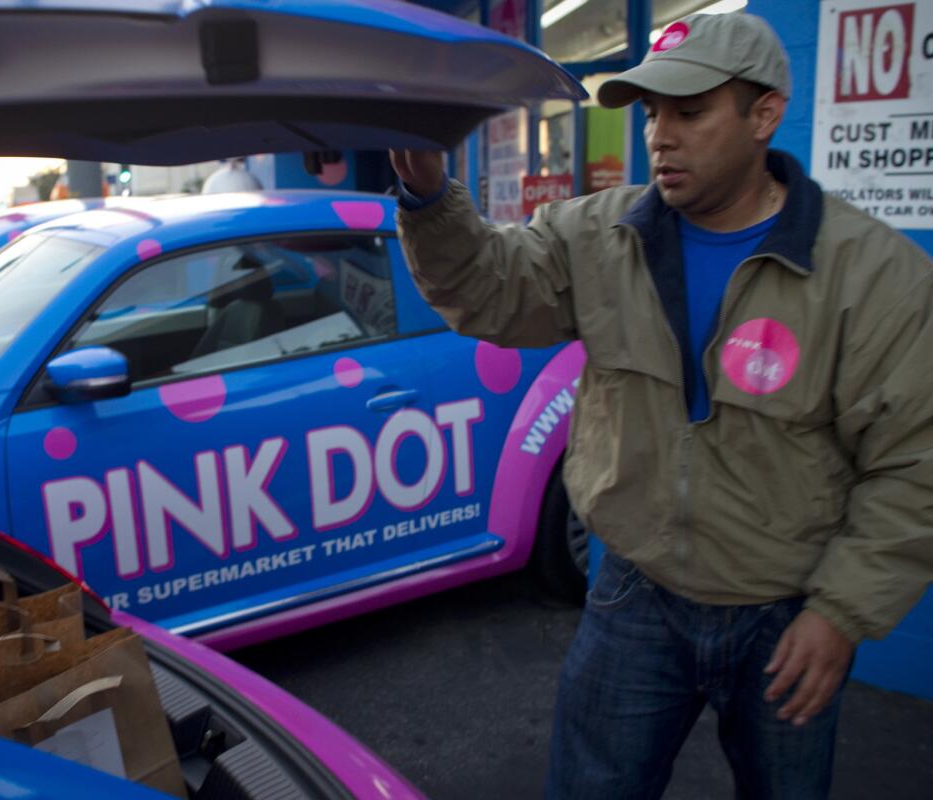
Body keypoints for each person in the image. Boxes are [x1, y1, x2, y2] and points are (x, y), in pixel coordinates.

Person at [391, 12, 933, 800]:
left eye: (690, 111)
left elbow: (914, 462)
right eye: (650, 114)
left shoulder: (870, 273)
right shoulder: (598, 235)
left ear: (764, 116)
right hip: (634, 595)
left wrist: (843, 611)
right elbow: (488, 292)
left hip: (785, 610)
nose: (660, 137)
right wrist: (428, 191)